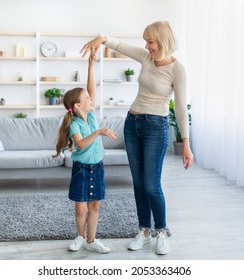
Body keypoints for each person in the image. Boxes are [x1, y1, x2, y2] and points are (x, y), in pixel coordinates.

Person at [80, 20, 194, 255]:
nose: (146, 45)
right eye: (146, 41)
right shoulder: (145, 57)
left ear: (162, 40)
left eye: (150, 41)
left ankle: (161, 231)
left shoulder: (177, 69)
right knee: (139, 184)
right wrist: (101, 38)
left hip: (156, 127)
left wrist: (186, 144)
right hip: (133, 124)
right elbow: (119, 44)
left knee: (152, 185)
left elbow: (181, 108)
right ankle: (144, 230)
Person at [53, 53, 118, 254]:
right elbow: (80, 144)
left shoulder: (90, 116)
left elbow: (91, 88)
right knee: (81, 208)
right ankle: (80, 237)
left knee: (95, 206)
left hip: (97, 167)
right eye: (87, 99)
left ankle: (91, 240)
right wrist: (99, 132)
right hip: (81, 169)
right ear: (78, 106)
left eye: (90, 98)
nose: (91, 99)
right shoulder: (75, 124)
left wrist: (90, 65)